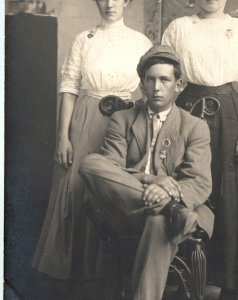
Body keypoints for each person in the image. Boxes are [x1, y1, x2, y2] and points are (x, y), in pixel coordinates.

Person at [32, 0, 152, 292]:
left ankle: (108, 272)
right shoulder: (83, 39)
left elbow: (151, 89)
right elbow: (69, 88)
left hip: (125, 120)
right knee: (76, 186)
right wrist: (63, 136)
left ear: (127, 2)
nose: (110, 4)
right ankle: (77, 273)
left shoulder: (140, 41)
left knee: (114, 187)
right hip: (85, 119)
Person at [78, 45, 215, 300]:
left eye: (164, 79)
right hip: (127, 210)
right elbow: (111, 170)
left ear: (179, 84)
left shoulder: (195, 126)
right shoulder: (122, 119)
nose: (157, 87)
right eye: (150, 80)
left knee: (158, 221)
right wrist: (154, 181)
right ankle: (170, 209)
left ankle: (167, 210)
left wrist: (168, 194)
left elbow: (198, 181)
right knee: (90, 163)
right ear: (142, 84)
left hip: (178, 207)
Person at [162, 0, 238, 299]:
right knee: (186, 186)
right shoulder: (179, 28)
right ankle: (183, 276)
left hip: (229, 113)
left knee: (228, 194)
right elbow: (165, 75)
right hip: (187, 109)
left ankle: (229, 283)